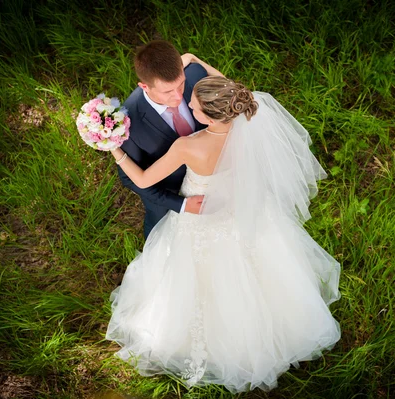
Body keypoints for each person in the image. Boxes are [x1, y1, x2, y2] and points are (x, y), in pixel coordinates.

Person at [105, 72, 341, 393]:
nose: (189, 106)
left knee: (200, 279)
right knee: (259, 272)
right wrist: (190, 60)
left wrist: (115, 150)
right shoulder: (250, 126)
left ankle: (208, 344)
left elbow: (145, 180)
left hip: (202, 222)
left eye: (194, 106)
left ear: (208, 114)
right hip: (242, 213)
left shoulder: (189, 146)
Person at [118, 40, 222, 238]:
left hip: (210, 177)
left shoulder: (196, 76)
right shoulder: (128, 122)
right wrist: (181, 204)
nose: (178, 95)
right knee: (161, 236)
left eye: (181, 84)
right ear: (144, 86)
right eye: (167, 91)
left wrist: (192, 59)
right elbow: (130, 178)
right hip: (166, 190)